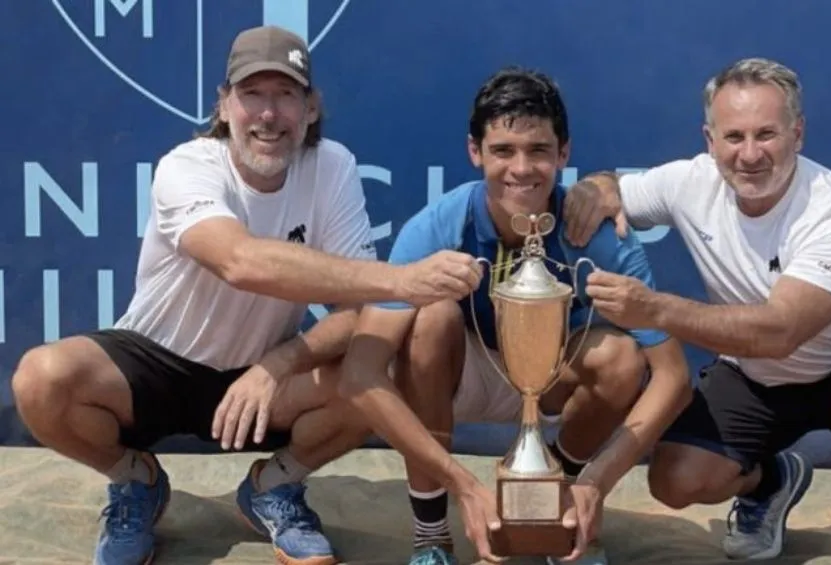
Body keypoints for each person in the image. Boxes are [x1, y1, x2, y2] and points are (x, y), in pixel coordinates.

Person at [11, 25, 482, 565]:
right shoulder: (185, 166)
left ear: (310, 108)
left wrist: (279, 363)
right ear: (224, 105)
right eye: (252, 94)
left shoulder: (333, 165)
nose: (268, 114)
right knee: (40, 380)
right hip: (152, 362)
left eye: (285, 95)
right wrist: (402, 280)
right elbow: (238, 260)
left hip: (263, 374)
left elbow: (358, 313)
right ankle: (134, 482)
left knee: (380, 368)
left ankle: (273, 487)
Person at [561, 57, 831, 565]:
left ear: (797, 134)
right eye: (734, 137)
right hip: (754, 372)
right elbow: (610, 189)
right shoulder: (690, 181)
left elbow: (780, 332)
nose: (750, 154)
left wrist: (656, 310)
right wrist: (594, 190)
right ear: (710, 140)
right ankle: (773, 480)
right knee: (674, 480)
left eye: (766, 134)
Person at [329, 67, 692, 565]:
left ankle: (555, 505)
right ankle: (431, 535)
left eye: (538, 150)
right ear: (475, 152)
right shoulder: (440, 224)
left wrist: (594, 484)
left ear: (563, 153)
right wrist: (464, 487)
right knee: (432, 318)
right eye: (503, 150)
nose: (521, 169)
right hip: (463, 373)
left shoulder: (601, 237)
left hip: (551, 378)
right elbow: (359, 375)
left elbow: (673, 376)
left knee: (622, 359)